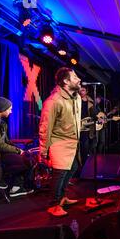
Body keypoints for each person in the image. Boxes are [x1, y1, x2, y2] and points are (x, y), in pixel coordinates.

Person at [39, 67, 82, 217]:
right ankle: (53, 205)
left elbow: (73, 120)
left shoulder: (76, 98)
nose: (79, 79)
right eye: (75, 77)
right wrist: (43, 150)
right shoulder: (53, 101)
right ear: (65, 81)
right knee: (60, 173)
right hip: (59, 142)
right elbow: (45, 126)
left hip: (72, 142)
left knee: (73, 167)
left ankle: (62, 197)